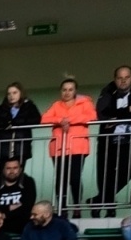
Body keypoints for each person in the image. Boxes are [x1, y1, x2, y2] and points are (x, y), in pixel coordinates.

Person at [90, 66, 131, 216]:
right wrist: (128, 111)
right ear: (115, 79)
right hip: (107, 141)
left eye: (126, 77)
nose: (123, 81)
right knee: (104, 176)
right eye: (120, 78)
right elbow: (102, 115)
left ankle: (98, 200)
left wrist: (115, 117)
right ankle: (109, 209)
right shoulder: (108, 90)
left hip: (127, 140)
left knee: (126, 174)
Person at [41, 78, 97, 219]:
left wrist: (68, 119)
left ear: (75, 91)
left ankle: (77, 207)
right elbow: (44, 119)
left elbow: (91, 116)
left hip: (78, 147)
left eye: (70, 89)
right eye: (64, 89)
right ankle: (63, 208)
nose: (67, 92)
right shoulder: (56, 105)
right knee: (61, 179)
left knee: (75, 178)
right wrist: (60, 120)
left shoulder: (85, 103)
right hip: (59, 148)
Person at [0, 82, 42, 167]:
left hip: (21, 148)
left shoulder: (29, 107)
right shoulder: (1, 109)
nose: (11, 96)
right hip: (2, 149)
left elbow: (37, 120)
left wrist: (16, 122)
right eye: (9, 94)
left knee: (18, 177)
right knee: (1, 177)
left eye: (14, 93)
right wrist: (1, 124)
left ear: (21, 93)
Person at [0, 157, 36, 236]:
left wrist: (6, 213)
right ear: (3, 169)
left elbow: (28, 206)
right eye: (8, 168)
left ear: (20, 169)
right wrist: (10, 207)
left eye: (15, 168)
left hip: (19, 219)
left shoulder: (28, 181)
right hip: (0, 218)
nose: (12, 171)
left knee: (29, 220)